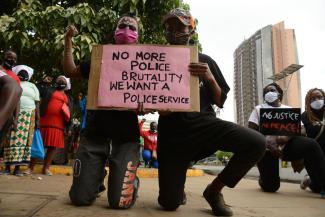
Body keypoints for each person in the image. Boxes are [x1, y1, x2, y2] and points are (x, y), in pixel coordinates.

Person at [157, 8, 266, 216]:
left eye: (180, 26)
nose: (173, 31)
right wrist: (155, 106)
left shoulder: (204, 59)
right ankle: (178, 179)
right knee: (169, 203)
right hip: (172, 135)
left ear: (191, 30)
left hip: (205, 125)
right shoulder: (155, 60)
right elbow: (144, 95)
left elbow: (220, 99)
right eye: (169, 27)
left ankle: (214, 190)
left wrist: (209, 77)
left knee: (257, 143)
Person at [64, 14, 141, 209]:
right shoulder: (100, 60)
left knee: (120, 202)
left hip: (126, 136)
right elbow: (70, 71)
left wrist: (147, 104)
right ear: (115, 33)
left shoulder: (146, 65)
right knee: (79, 199)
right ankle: (95, 177)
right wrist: (68, 41)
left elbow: (160, 101)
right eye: (123, 25)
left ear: (138, 36)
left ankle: (131, 181)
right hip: (96, 132)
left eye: (132, 28)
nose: (127, 30)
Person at [248, 83, 325, 198]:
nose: (269, 93)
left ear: (279, 94)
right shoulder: (259, 109)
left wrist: (286, 137)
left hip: (288, 146)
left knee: (311, 145)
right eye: (266, 92)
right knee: (271, 187)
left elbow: (302, 130)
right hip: (268, 149)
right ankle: (263, 178)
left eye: (272, 90)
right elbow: (251, 131)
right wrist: (269, 144)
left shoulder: (289, 110)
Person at [1, 65, 40, 176]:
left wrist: (38, 119)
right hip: (13, 114)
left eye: (26, 73)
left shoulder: (33, 86)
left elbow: (37, 103)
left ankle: (18, 168)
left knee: (25, 143)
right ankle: (7, 168)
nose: (24, 75)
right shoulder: (13, 83)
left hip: (29, 117)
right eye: (21, 72)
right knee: (9, 140)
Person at [35, 75, 72, 175]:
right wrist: (42, 82)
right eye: (59, 79)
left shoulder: (68, 97)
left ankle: (46, 168)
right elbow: (36, 90)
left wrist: (69, 127)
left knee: (52, 148)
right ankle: (31, 167)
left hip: (58, 125)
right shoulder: (48, 90)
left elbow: (70, 113)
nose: (60, 80)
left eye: (63, 80)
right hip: (44, 122)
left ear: (66, 84)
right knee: (38, 145)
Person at [301, 88, 325, 193]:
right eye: (313, 98)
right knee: (317, 188)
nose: (317, 100)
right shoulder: (304, 116)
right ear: (308, 101)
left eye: (319, 97)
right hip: (313, 157)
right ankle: (309, 180)